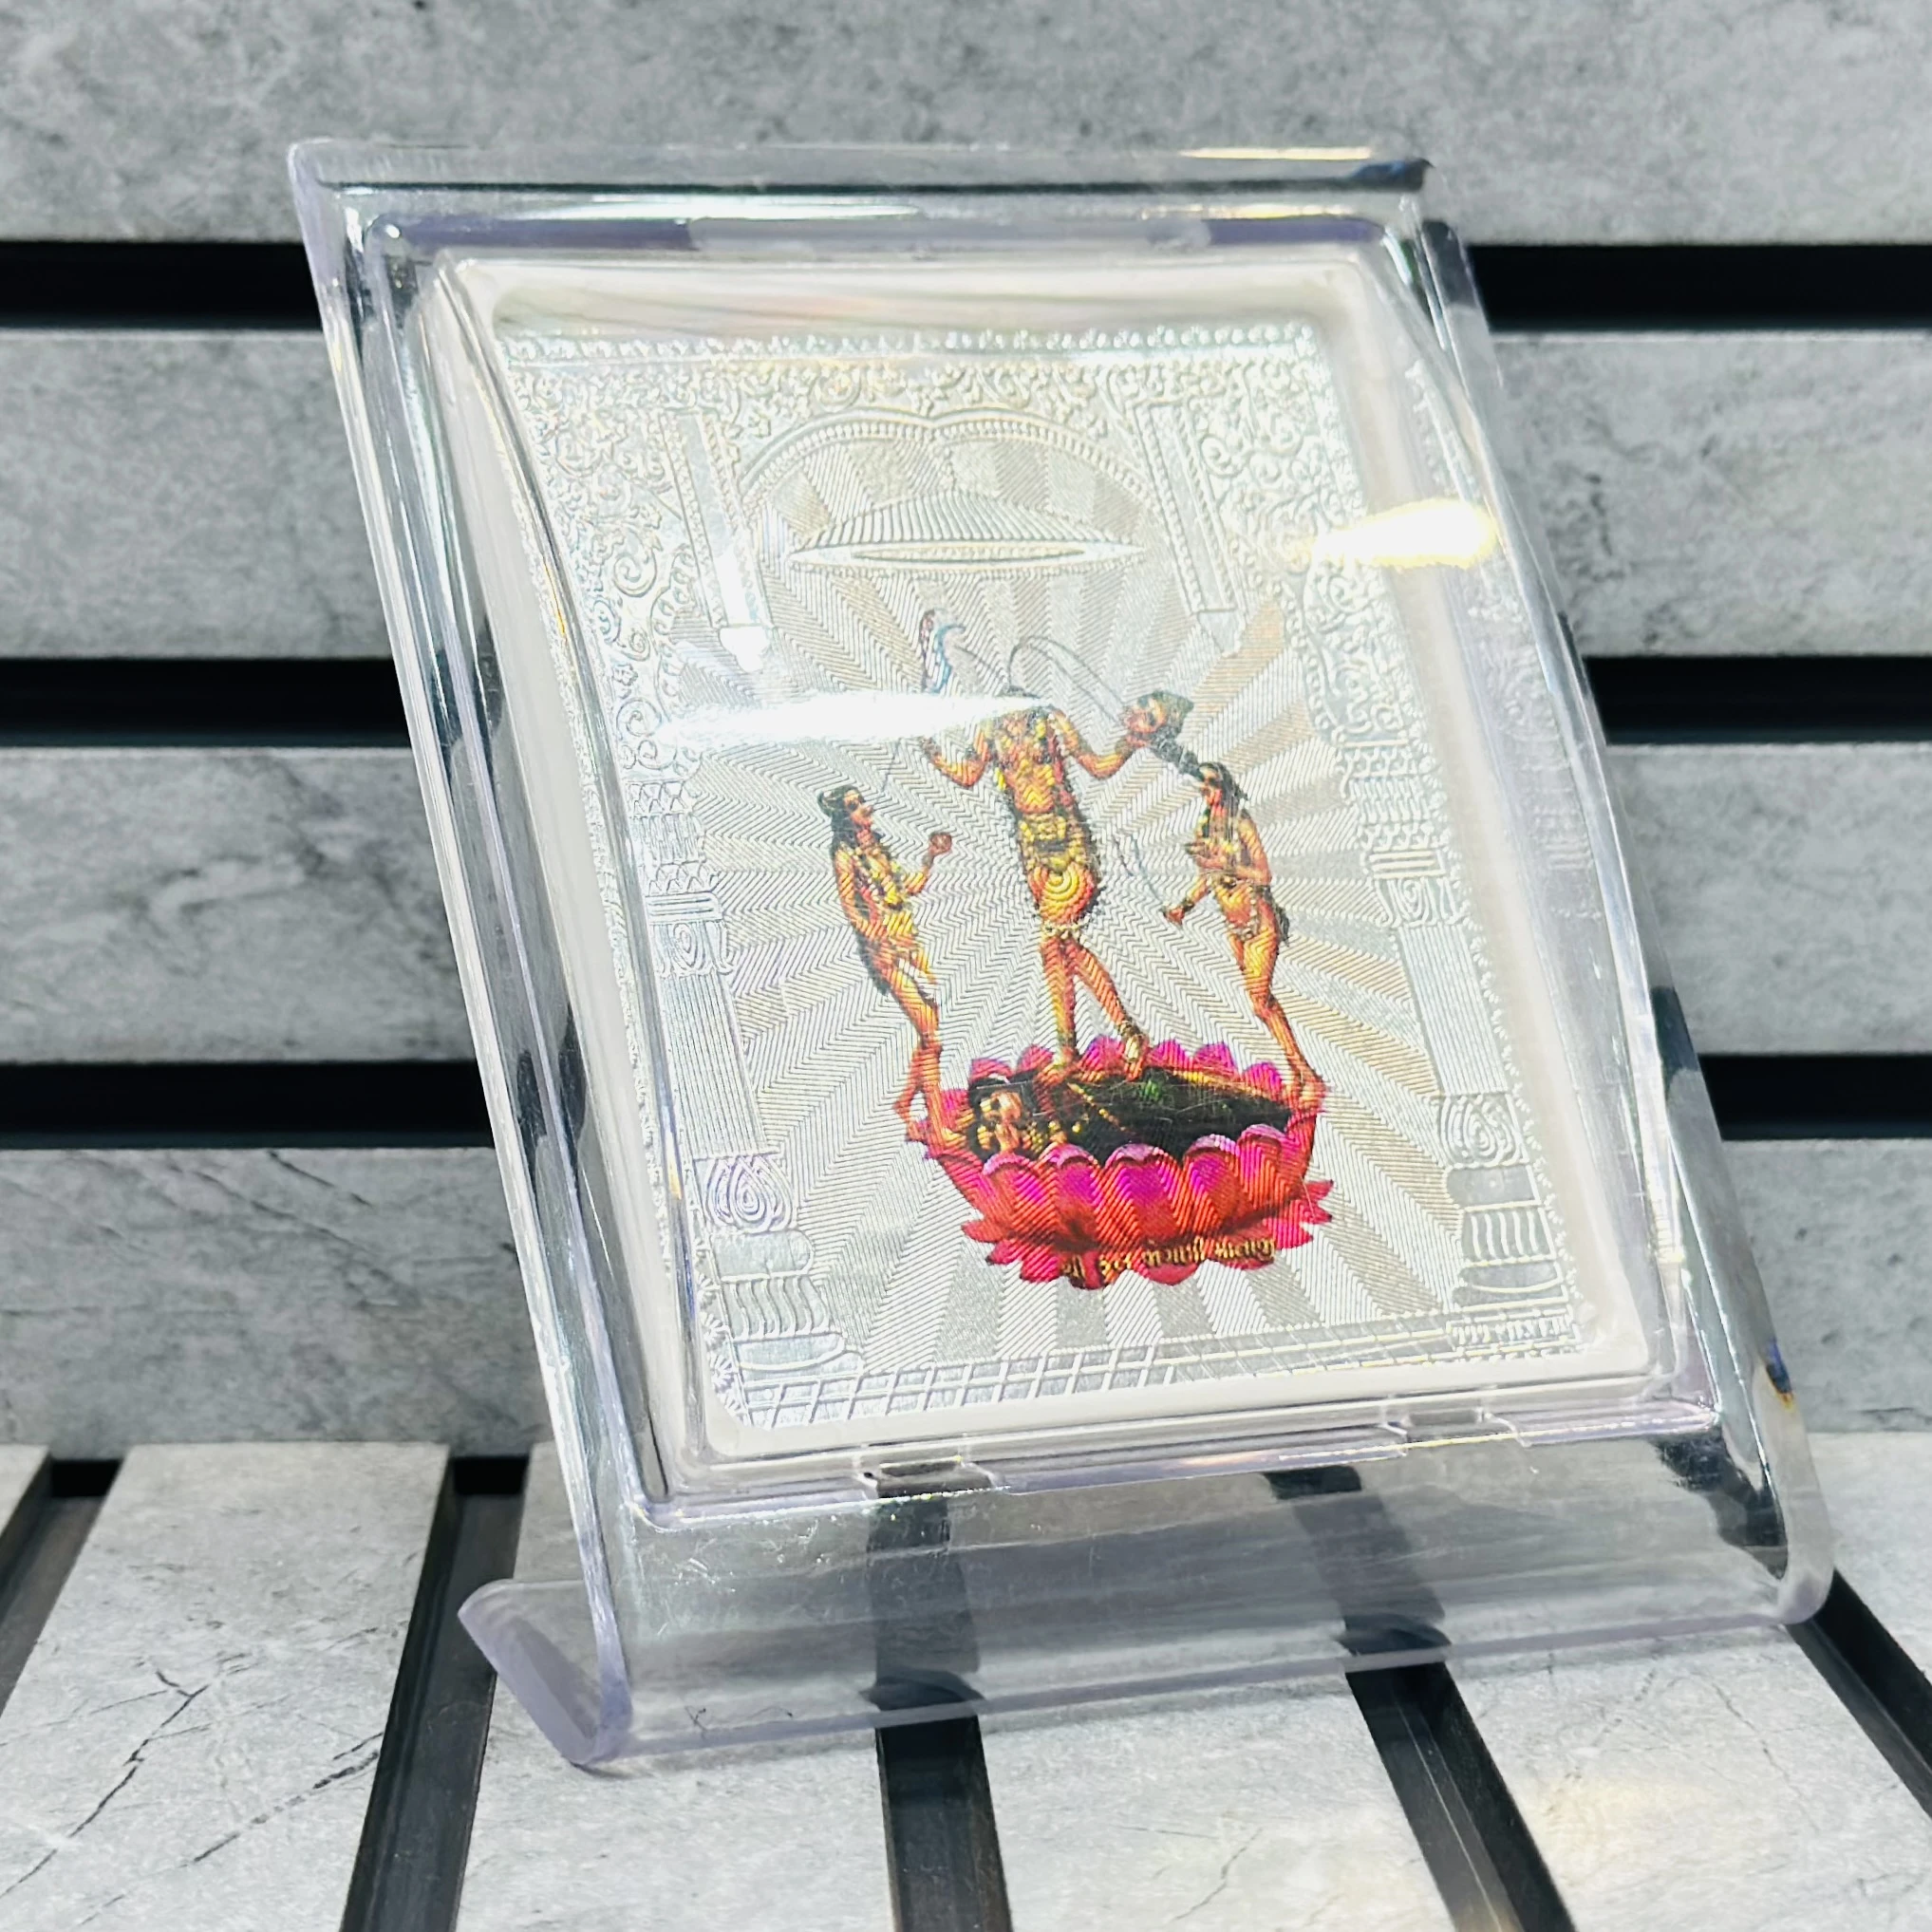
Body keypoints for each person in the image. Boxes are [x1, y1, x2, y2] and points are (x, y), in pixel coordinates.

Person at [923, 694, 1168, 1076]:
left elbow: (1096, 766)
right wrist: (931, 749)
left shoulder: (1050, 720)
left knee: (1052, 942)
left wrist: (1130, 745)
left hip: (1069, 842)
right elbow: (968, 775)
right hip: (1032, 848)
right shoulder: (990, 729)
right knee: (1058, 949)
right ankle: (1073, 1050)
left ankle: (1124, 1032)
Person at [1165, 760, 1324, 1110]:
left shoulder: (1241, 822)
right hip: (1234, 927)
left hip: (1258, 921)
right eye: (1201, 786)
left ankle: (1309, 1076)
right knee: (1265, 1004)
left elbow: (1264, 874)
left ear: (1224, 786)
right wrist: (1184, 906)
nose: (1206, 792)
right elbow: (1207, 878)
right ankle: (1298, 1074)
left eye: (1210, 785)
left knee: (1259, 1001)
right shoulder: (1205, 825)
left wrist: (1228, 866)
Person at [821, 785, 957, 1143]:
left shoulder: (878, 848)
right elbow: (851, 909)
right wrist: (876, 938)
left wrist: (930, 857)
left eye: (862, 801)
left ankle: (905, 1103)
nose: (864, 807)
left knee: (930, 1031)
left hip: (909, 944)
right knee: (932, 1036)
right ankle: (938, 1127)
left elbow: (909, 888)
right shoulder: (845, 855)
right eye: (854, 806)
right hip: (886, 953)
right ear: (845, 818)